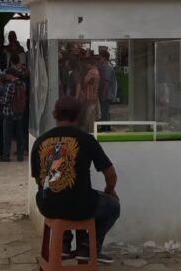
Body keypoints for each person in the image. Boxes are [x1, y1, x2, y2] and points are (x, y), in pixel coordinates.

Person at [31, 96, 120, 264]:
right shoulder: (86, 139)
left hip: (47, 205)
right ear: (79, 115)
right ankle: (88, 247)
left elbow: (38, 181)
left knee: (61, 197)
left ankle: (63, 245)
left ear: (54, 114)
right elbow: (111, 175)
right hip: (80, 205)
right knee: (113, 206)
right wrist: (110, 191)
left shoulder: (40, 141)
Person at [78, 57, 100, 132]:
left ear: (90, 64)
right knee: (91, 114)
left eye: (87, 64)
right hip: (93, 96)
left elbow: (84, 82)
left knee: (89, 116)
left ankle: (91, 131)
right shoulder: (96, 71)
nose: (85, 66)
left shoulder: (91, 72)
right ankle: (92, 131)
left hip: (89, 96)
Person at [97, 49, 115, 132]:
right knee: (106, 110)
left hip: (107, 93)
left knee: (103, 111)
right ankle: (107, 127)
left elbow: (106, 82)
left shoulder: (107, 67)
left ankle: (104, 128)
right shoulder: (106, 66)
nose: (99, 60)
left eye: (100, 58)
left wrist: (103, 94)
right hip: (107, 93)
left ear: (104, 58)